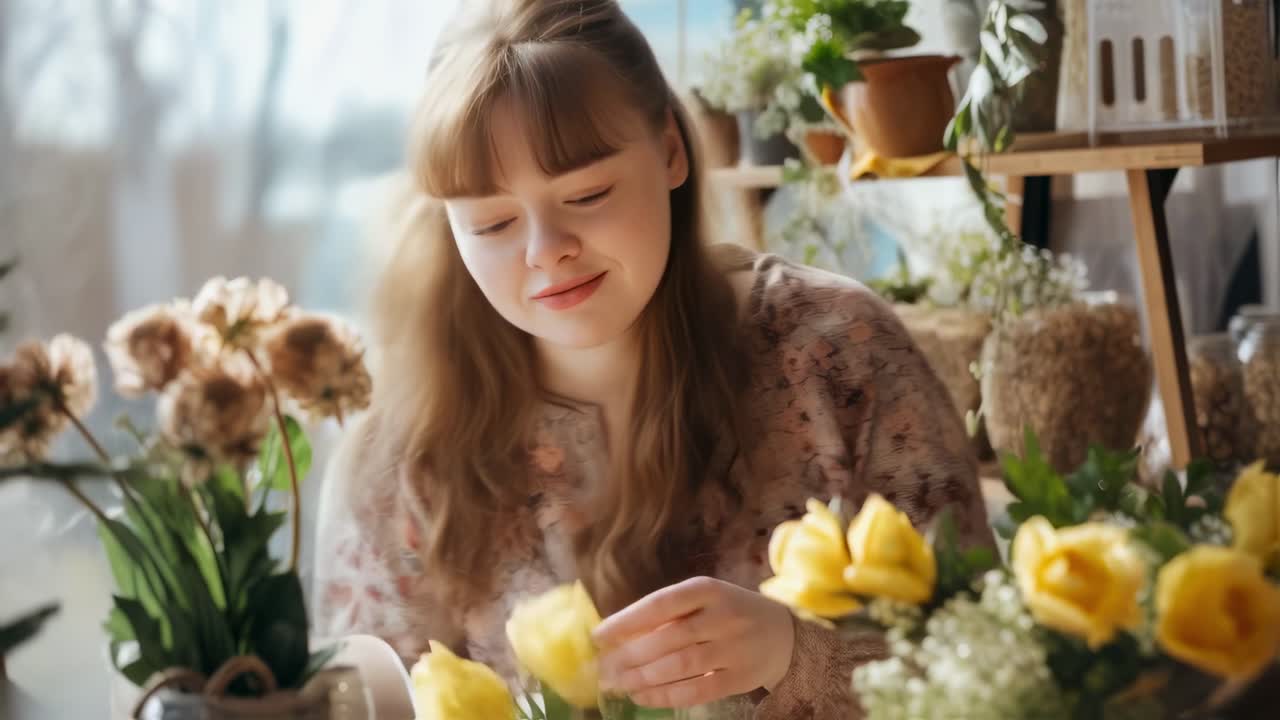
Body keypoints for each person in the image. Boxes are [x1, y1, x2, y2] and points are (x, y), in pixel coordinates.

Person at [313, 1, 993, 716]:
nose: (547, 251)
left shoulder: (835, 355)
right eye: (493, 223)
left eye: (587, 194)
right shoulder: (405, 454)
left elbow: (999, 665)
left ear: (670, 148)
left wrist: (796, 653)